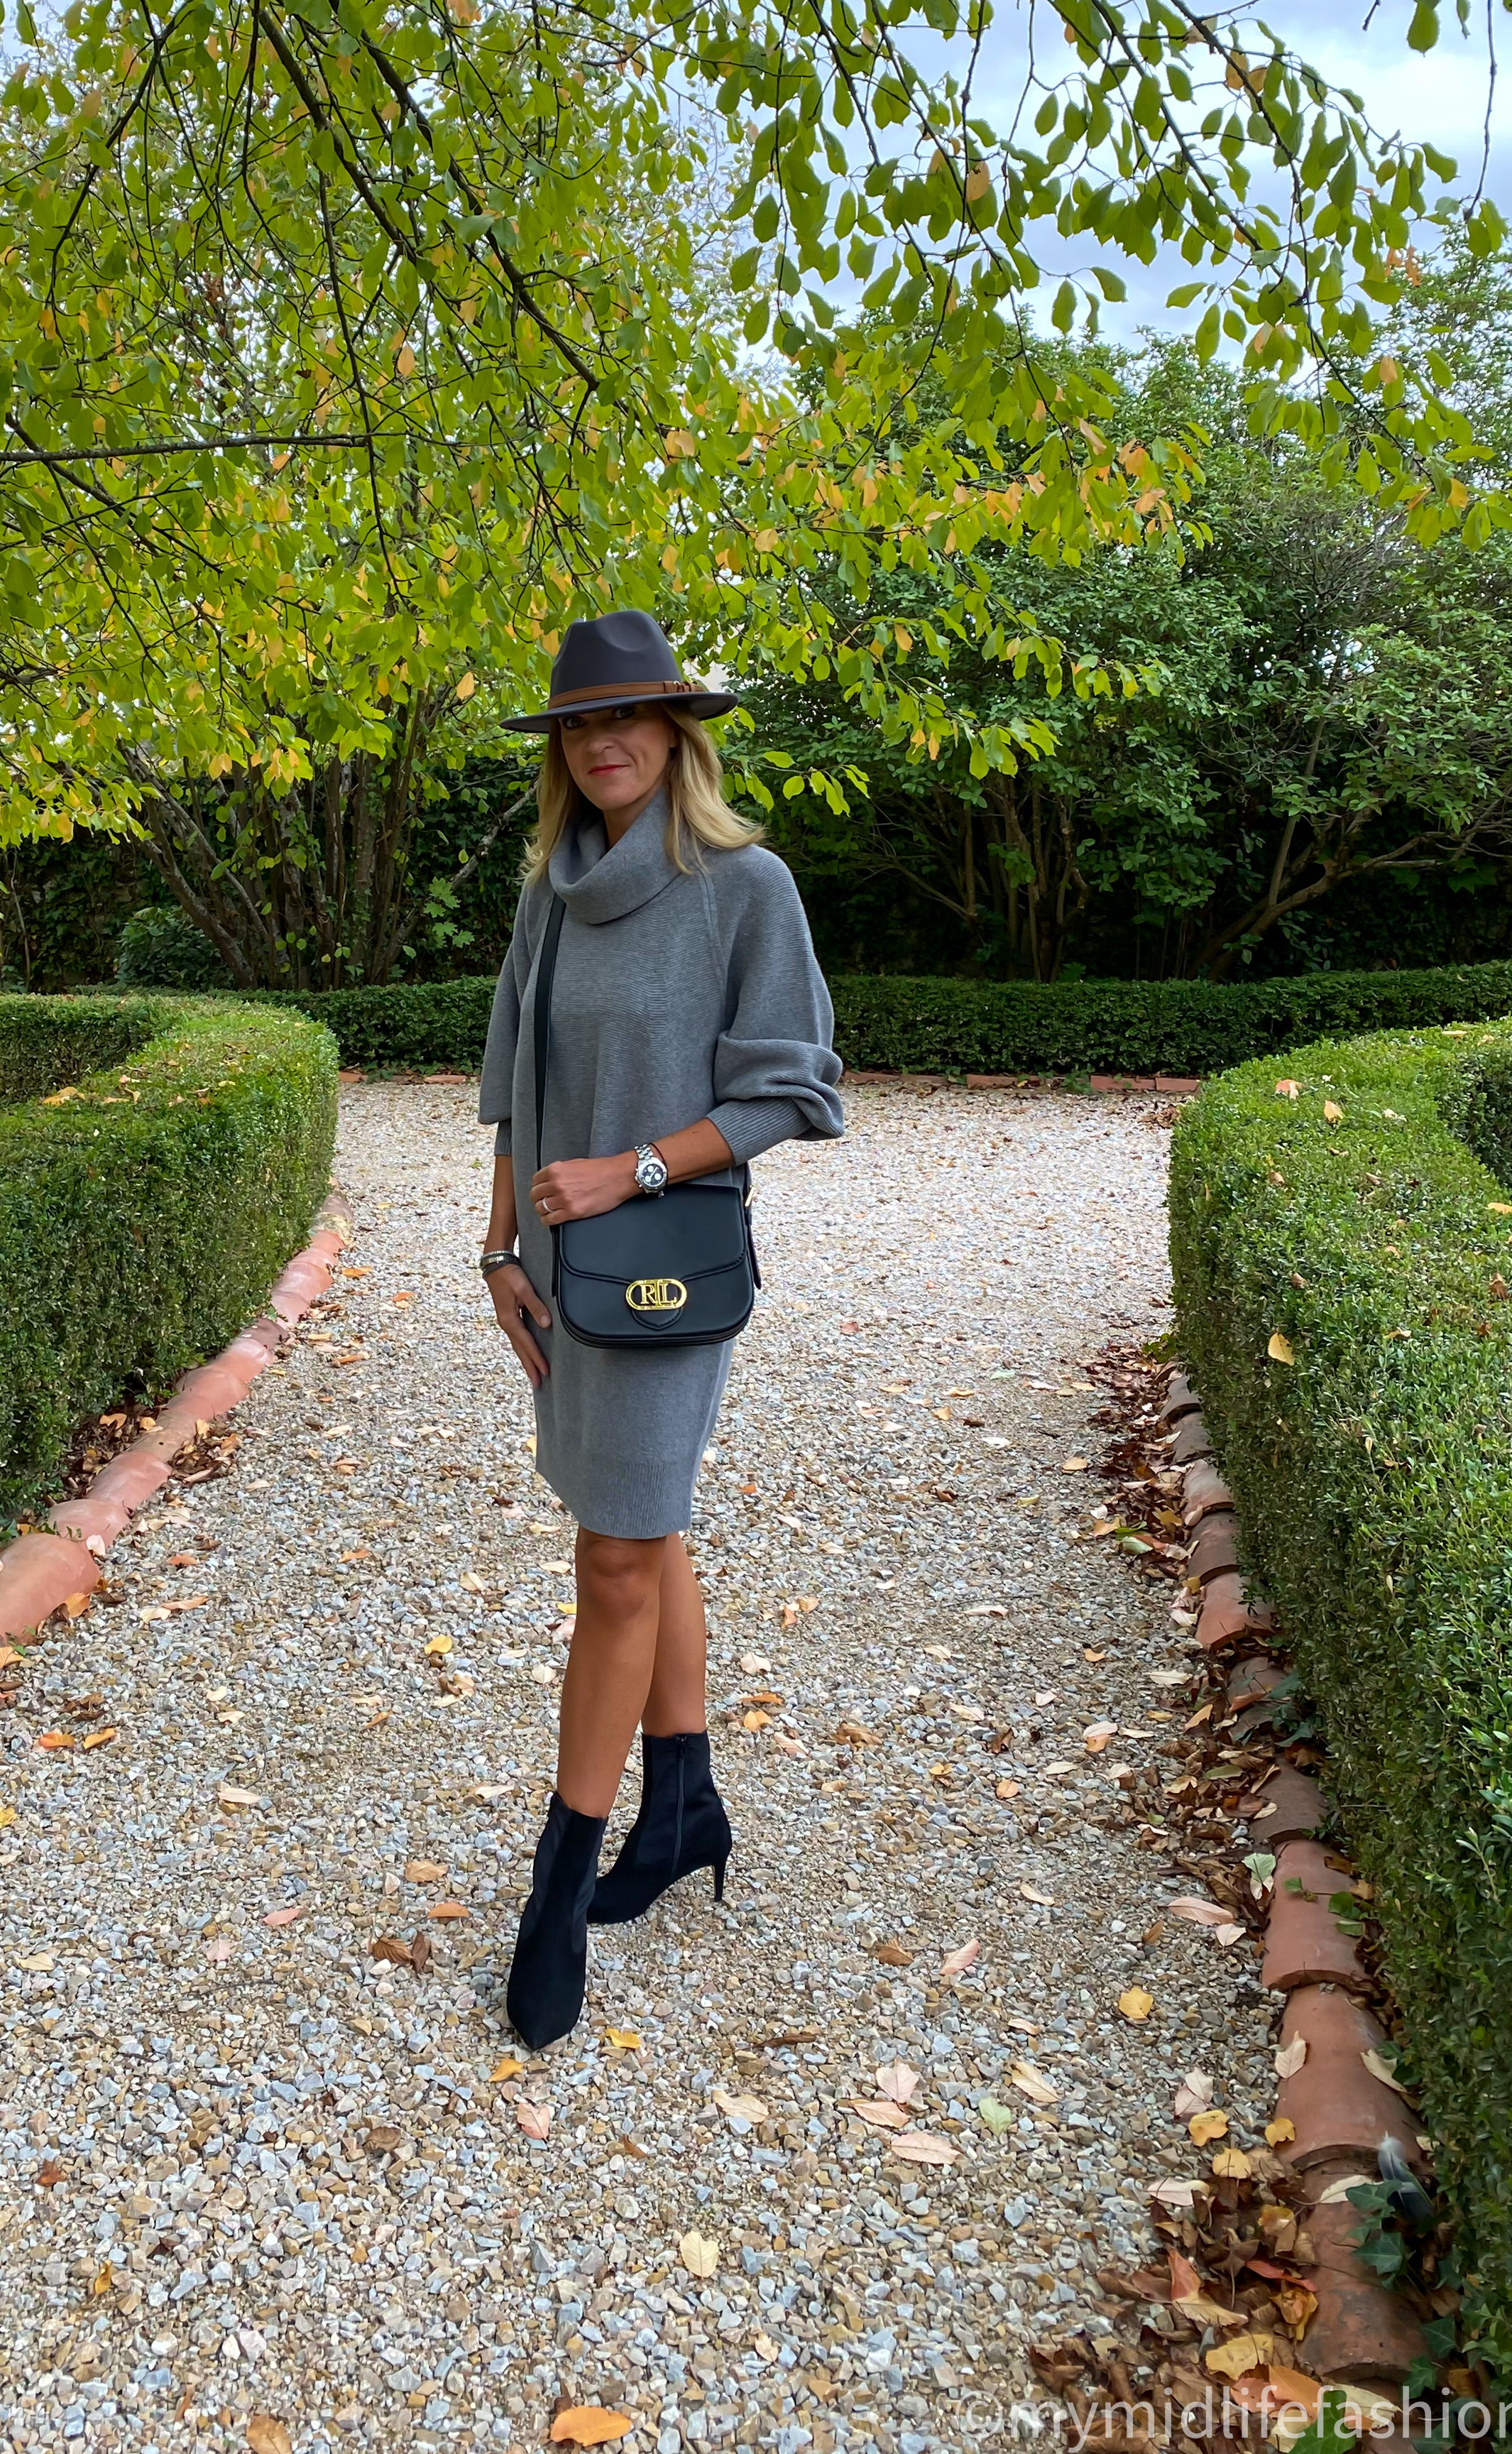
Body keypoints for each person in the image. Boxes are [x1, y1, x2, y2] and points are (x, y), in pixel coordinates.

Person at [477, 611, 843, 2048]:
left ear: (678, 735)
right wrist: (500, 1241)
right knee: (641, 1520)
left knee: (616, 1558)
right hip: (559, 1276)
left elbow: (792, 1090)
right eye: (579, 724)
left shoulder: (743, 889)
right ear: (562, 752)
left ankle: (556, 1888)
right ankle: (683, 1804)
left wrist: (629, 1170)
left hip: (666, 1273)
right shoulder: (549, 893)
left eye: (628, 719)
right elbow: (515, 1072)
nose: (603, 740)